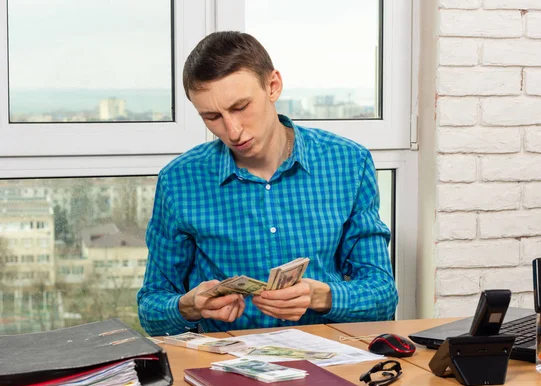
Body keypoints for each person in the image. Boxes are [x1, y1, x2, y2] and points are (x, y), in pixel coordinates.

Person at [137, 31, 398, 335]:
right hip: (223, 365)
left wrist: (321, 297)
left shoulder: (349, 163)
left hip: (327, 361)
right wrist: (190, 305)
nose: (232, 131)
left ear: (273, 86)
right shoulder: (179, 180)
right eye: (212, 117)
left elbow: (383, 295)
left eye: (240, 107)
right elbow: (150, 309)